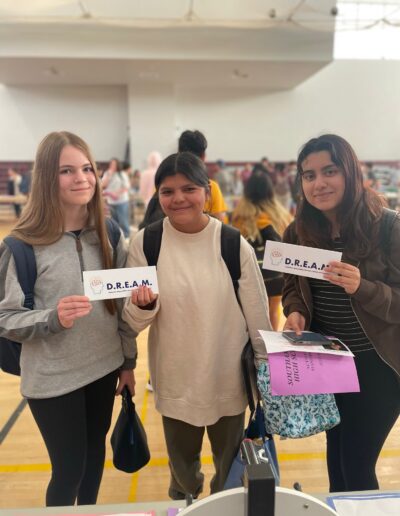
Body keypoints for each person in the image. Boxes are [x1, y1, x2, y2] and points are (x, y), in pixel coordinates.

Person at [122, 152, 271, 499]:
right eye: (167, 191)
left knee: (230, 477)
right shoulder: (146, 243)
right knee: (183, 477)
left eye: (188, 188)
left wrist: (265, 374)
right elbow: (130, 322)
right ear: (157, 195)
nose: (178, 199)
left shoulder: (233, 244)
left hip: (227, 382)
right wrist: (146, 305)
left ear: (207, 190)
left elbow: (258, 319)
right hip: (175, 383)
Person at [0, 131, 137, 507]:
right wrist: (52, 318)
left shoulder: (109, 234)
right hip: (52, 377)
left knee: (94, 463)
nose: (82, 178)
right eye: (66, 170)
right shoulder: (21, 246)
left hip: (104, 366)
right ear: (47, 178)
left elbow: (120, 305)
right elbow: (6, 318)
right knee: (69, 469)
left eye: (87, 168)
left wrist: (128, 362)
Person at [282, 134, 400, 492]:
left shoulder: (388, 227)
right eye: (309, 175)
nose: (319, 184)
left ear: (350, 172)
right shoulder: (299, 230)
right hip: (328, 364)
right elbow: (293, 287)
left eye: (329, 171)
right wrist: (296, 312)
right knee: (337, 461)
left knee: (356, 464)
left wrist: (362, 286)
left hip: (378, 367)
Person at [232, 170, 293, 330]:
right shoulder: (280, 216)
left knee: (251, 311)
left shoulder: (240, 217)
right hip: (276, 272)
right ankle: (271, 347)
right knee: (273, 310)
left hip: (251, 271)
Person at [178, 130, 228, 222]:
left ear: (178, 154)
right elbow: (221, 225)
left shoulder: (164, 187)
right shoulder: (211, 187)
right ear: (203, 157)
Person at [101, 157, 131, 238]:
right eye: (111, 164)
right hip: (111, 201)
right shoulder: (107, 173)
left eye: (114, 164)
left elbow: (126, 186)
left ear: (117, 165)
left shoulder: (122, 174)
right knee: (114, 221)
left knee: (123, 220)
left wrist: (116, 193)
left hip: (122, 201)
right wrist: (109, 175)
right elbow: (103, 185)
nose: (112, 166)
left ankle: (126, 237)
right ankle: (117, 237)